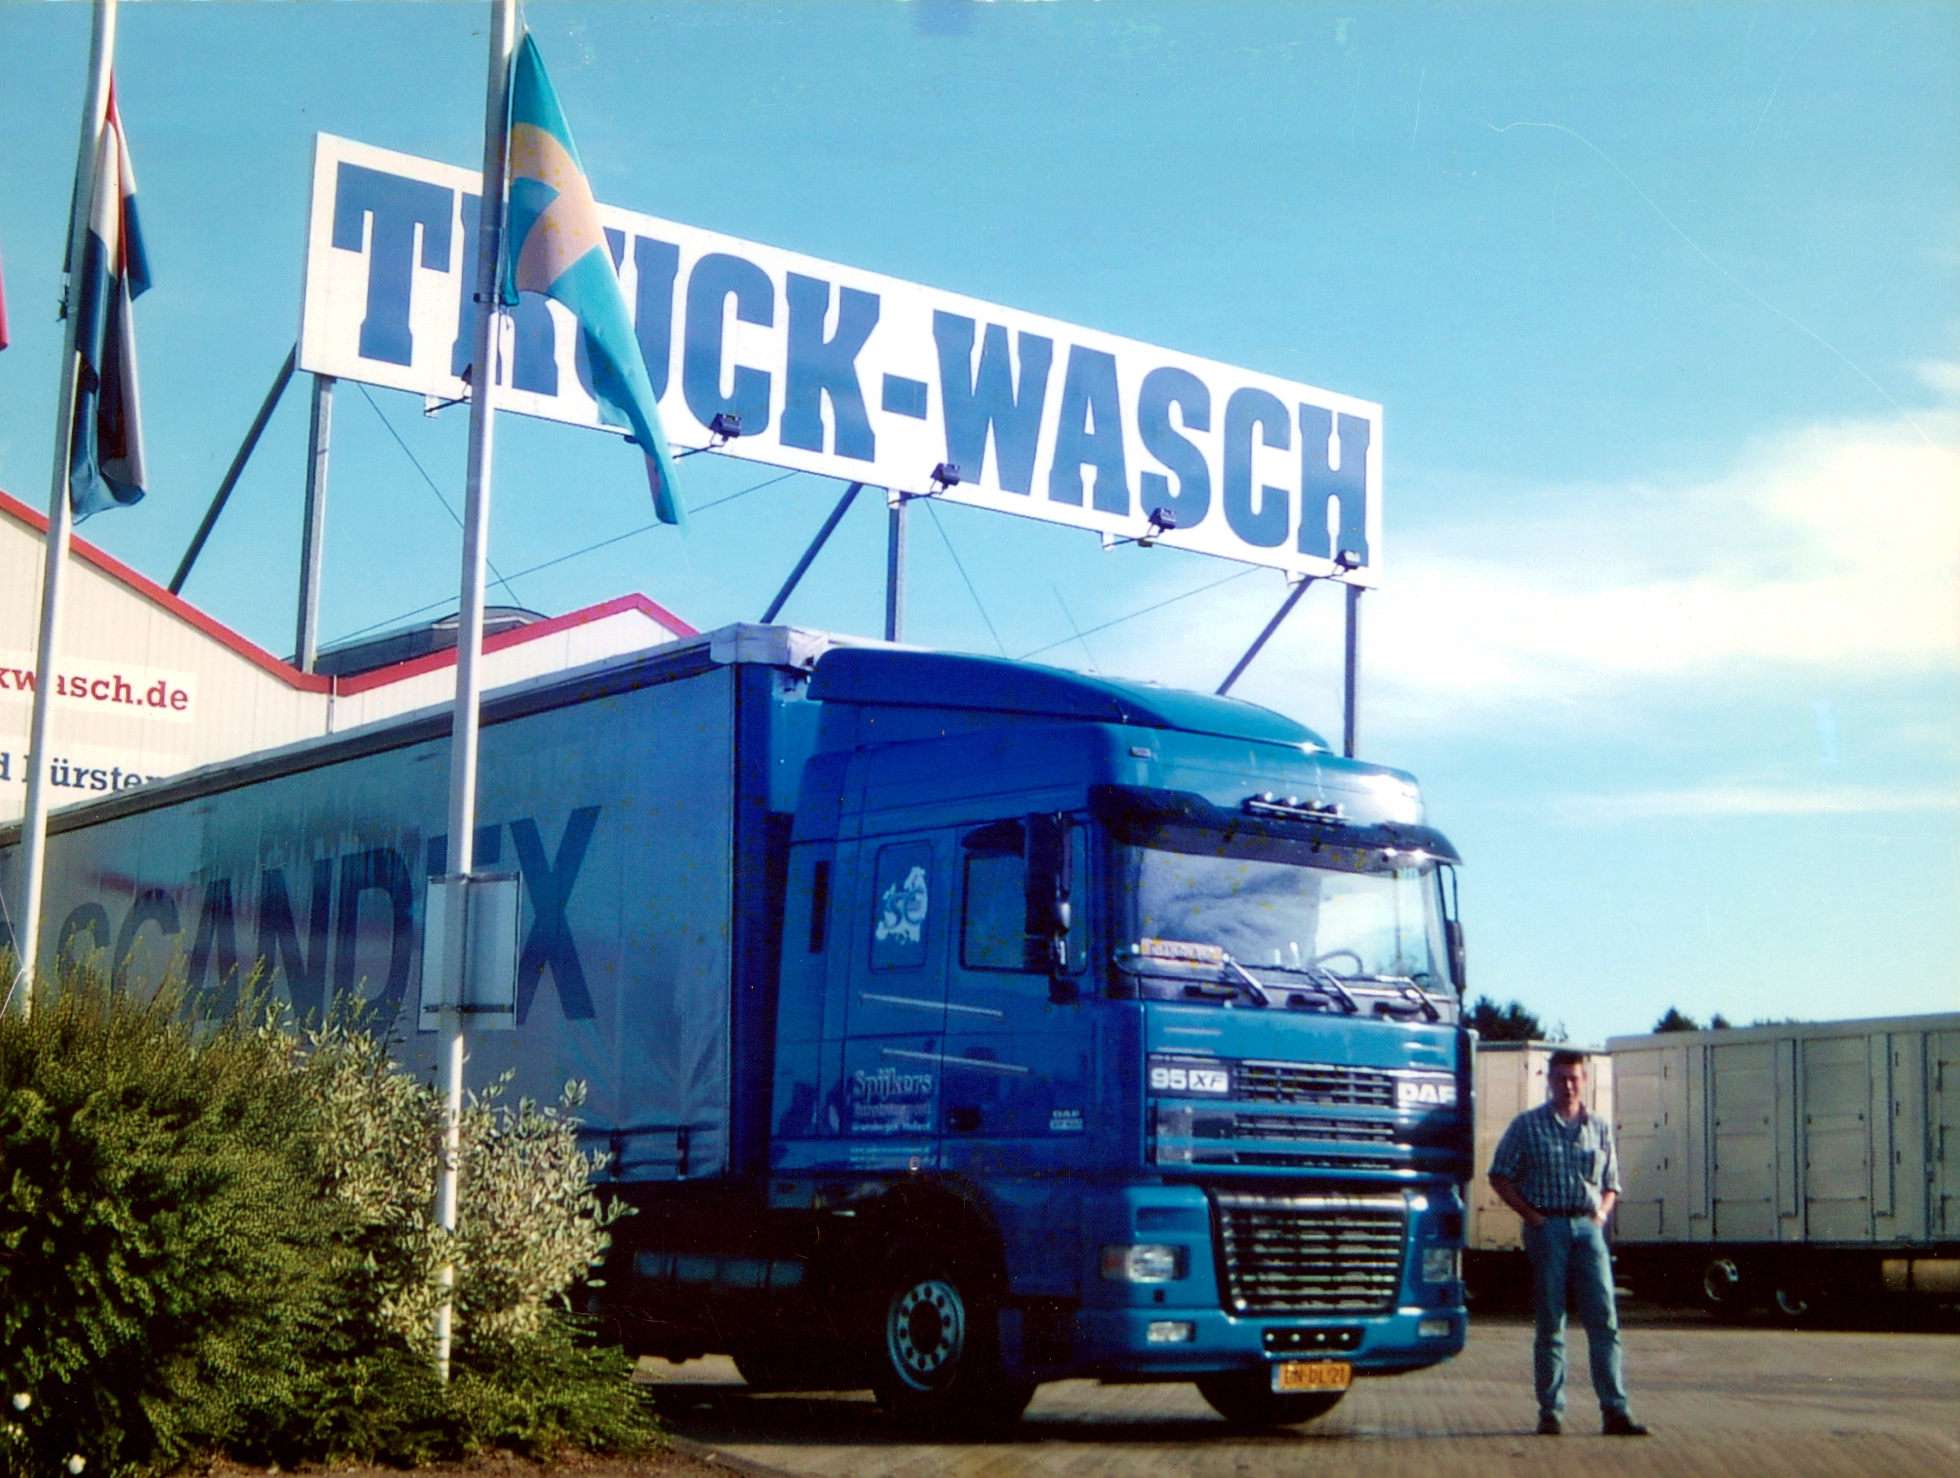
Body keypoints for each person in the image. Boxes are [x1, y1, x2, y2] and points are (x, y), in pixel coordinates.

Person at [1488, 1049, 1650, 1437]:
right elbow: (1499, 1175)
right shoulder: (1527, 1126)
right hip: (1549, 1229)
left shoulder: (1599, 1127)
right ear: (1549, 1080)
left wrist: (1599, 1217)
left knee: (1604, 1321)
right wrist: (1533, 1218)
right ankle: (1550, 1412)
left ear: (1585, 1080)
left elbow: (1611, 1183)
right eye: (1561, 1077)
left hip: (1589, 1230)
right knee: (1551, 1322)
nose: (1568, 1085)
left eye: (1574, 1078)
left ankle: (1615, 1411)